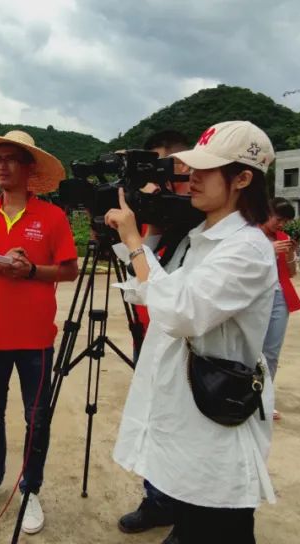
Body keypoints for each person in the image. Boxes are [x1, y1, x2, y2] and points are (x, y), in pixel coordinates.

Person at [106, 121, 278, 544]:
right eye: (191, 168)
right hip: (189, 404)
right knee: (195, 505)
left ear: (242, 178)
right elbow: (159, 291)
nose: (191, 178)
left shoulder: (246, 248)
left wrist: (132, 242)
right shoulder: (202, 237)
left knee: (220, 518)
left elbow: (180, 311)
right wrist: (145, 234)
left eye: (206, 170)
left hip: (213, 407)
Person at [0, 130, 79, 535]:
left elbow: (69, 270)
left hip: (36, 340)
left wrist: (30, 271)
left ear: (29, 169)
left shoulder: (52, 217)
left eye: (11, 159)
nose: (2, 166)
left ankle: (30, 490)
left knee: (36, 416)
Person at [118, 130, 193, 540]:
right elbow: (140, 265)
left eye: (161, 166)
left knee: (183, 425)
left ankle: (189, 514)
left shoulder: (199, 216)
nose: (156, 179)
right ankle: (158, 499)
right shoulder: (163, 214)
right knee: (155, 418)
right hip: (149, 330)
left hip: (184, 337)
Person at [259, 198, 300, 420]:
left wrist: (290, 256)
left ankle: (264, 399)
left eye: (285, 221)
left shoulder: (283, 238)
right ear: (266, 213)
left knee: (271, 352)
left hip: (279, 297)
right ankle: (245, 396)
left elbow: (292, 273)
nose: (281, 225)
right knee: (250, 349)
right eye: (278, 219)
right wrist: (268, 249)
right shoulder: (250, 235)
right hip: (256, 297)